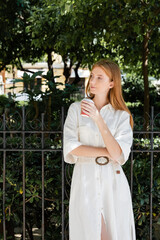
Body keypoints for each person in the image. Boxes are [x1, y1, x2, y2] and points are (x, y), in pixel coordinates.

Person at [63, 59, 136, 240]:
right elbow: (71, 148)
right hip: (85, 180)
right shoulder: (75, 109)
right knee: (88, 233)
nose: (92, 82)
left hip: (113, 182)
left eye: (99, 78)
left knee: (114, 234)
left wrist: (98, 119)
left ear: (112, 83)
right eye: (92, 76)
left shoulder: (122, 116)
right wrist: (107, 152)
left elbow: (119, 155)